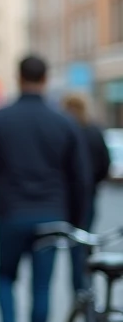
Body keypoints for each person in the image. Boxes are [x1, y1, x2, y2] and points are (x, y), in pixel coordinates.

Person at [0, 56, 91, 322]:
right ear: (46, 78)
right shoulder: (64, 122)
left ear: (18, 76)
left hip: (11, 213)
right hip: (52, 217)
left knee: (5, 278)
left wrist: (6, 179)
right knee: (42, 288)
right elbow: (80, 178)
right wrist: (75, 221)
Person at [61, 93, 112, 293]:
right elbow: (104, 164)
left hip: (65, 197)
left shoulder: (64, 129)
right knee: (83, 243)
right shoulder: (92, 131)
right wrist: (92, 183)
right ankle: (84, 289)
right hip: (87, 196)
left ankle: (80, 291)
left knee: (73, 245)